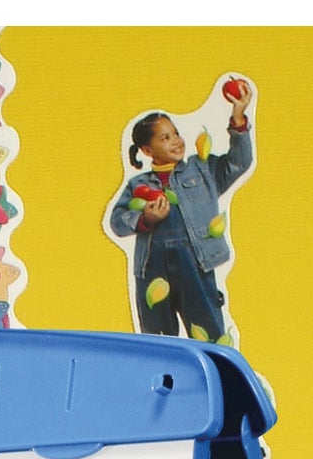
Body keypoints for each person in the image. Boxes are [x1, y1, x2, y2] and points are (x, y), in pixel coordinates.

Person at [107, 79, 253, 344]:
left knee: (209, 333)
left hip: (195, 265)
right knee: (157, 340)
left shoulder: (202, 170)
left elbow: (239, 162)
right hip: (152, 269)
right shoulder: (138, 185)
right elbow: (116, 221)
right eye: (165, 137)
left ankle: (219, 379)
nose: (176, 141)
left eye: (176, 133)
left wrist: (239, 118)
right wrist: (144, 219)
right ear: (147, 151)